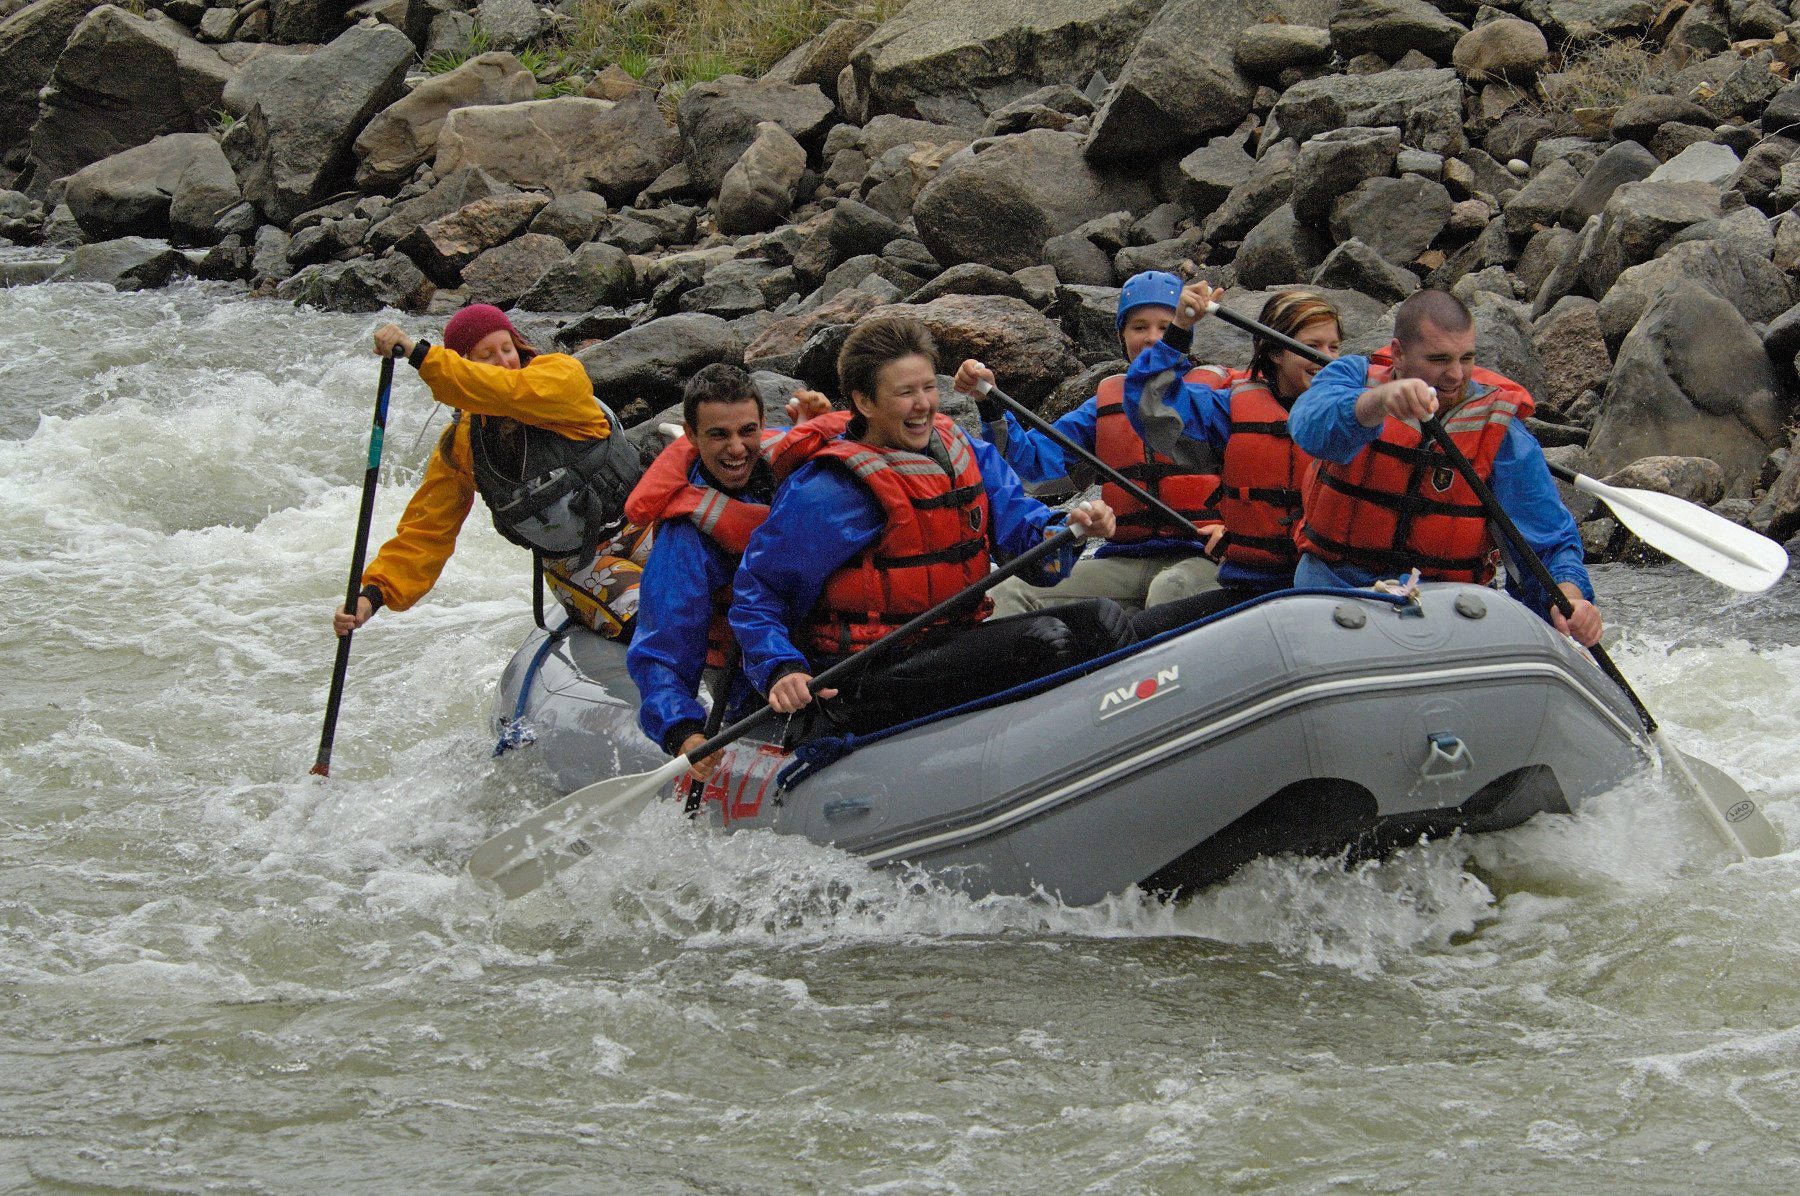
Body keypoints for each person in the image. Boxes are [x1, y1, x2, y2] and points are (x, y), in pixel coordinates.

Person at [730, 316, 1136, 738]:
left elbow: (1027, 546)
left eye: (928, 387)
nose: (923, 404)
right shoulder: (830, 489)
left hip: (951, 645)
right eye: (905, 393)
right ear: (864, 402)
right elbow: (759, 589)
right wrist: (780, 667)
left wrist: (1070, 529)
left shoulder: (964, 453)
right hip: (863, 674)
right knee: (1043, 642)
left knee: (1102, 621)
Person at [1287, 288, 1602, 645]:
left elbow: (1549, 543)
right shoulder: (1353, 379)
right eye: (1439, 360)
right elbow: (1308, 429)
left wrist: (1571, 599)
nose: (1455, 375)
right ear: (1398, 353)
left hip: (1446, 612)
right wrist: (1377, 402)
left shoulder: (1500, 431)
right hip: (1338, 597)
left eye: (1466, 358)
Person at [332, 305, 646, 642]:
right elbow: (427, 530)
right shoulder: (462, 444)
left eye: (507, 349)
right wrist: (373, 595)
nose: (504, 361)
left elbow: (507, 390)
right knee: (654, 619)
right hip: (579, 565)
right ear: (464, 367)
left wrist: (418, 354)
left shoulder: (558, 378)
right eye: (487, 355)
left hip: (642, 524)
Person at [953, 270, 1227, 616]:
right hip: (1126, 559)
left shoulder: (1216, 392)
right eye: (1139, 327)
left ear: (1184, 330)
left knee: (1170, 588)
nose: (1152, 339)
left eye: (1165, 326)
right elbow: (1032, 467)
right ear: (1121, 335)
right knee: (1009, 590)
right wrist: (989, 402)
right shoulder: (1103, 406)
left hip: (1203, 557)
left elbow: (1263, 477)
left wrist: (1238, 530)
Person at [625, 364, 839, 781]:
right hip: (752, 685)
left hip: (833, 656)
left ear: (763, 424)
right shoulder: (686, 536)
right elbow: (663, 643)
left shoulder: (794, 470)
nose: (737, 448)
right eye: (718, 435)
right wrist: (683, 731)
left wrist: (812, 426)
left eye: (747, 431)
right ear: (691, 435)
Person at [1120, 288, 1344, 636]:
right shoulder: (1230, 412)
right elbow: (1152, 408)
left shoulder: (1356, 416)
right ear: (1274, 352)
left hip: (1326, 588)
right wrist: (1179, 328)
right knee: (1147, 630)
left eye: (1334, 348)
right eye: (1311, 347)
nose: (1326, 359)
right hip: (1253, 587)